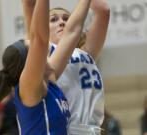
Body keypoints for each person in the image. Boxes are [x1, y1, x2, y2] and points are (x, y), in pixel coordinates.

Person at [0, 0, 92, 134]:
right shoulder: (28, 87)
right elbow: (39, 38)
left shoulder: (49, 77)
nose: (36, 45)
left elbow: (73, 31)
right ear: (30, 62)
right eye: (31, 46)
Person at [24, 0, 110, 134]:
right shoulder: (45, 55)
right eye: (53, 20)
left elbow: (103, 11)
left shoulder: (86, 52)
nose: (62, 22)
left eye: (66, 19)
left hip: (92, 130)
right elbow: (34, 27)